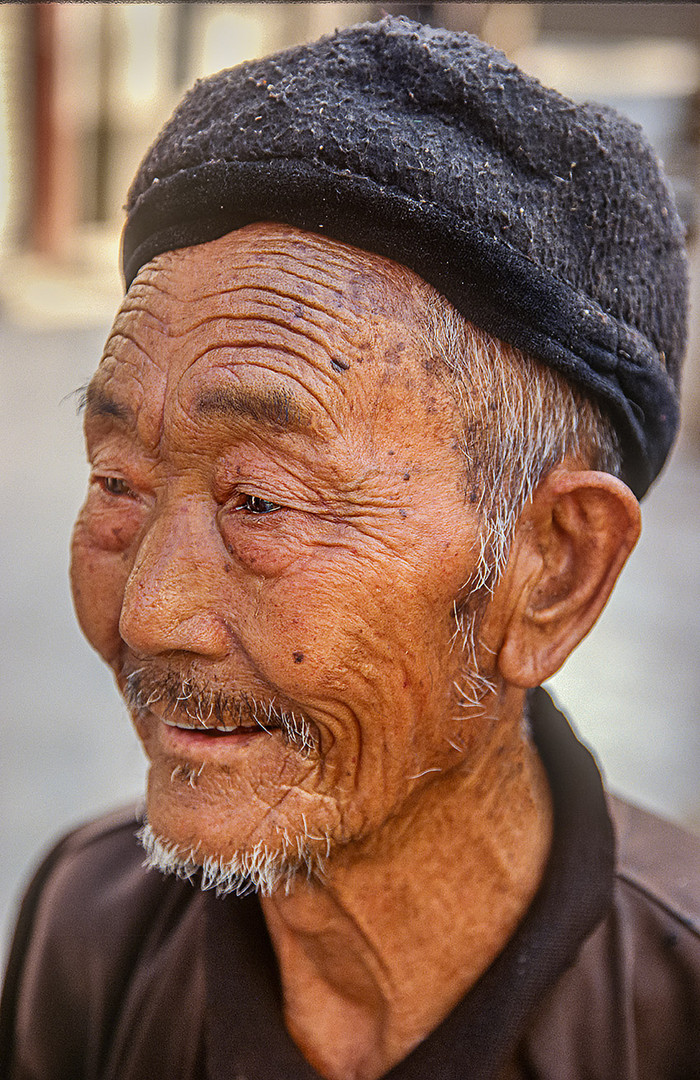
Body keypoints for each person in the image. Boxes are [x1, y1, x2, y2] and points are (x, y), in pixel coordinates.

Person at [1, 16, 699, 1080]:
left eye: (262, 501)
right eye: (117, 483)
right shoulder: (87, 925)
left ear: (553, 571)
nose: (147, 612)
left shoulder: (673, 1009)